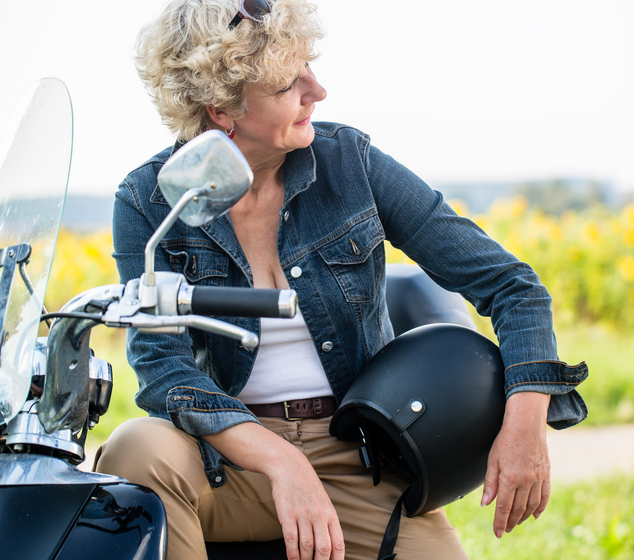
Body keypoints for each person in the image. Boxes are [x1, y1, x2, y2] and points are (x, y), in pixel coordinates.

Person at [94, 1, 588, 559]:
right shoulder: (148, 200)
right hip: (224, 460)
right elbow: (164, 369)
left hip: (355, 456)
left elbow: (513, 286)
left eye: (309, 66)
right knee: (135, 450)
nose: (317, 90)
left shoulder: (350, 162)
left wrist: (526, 423)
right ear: (221, 108)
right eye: (289, 83)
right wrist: (281, 461)